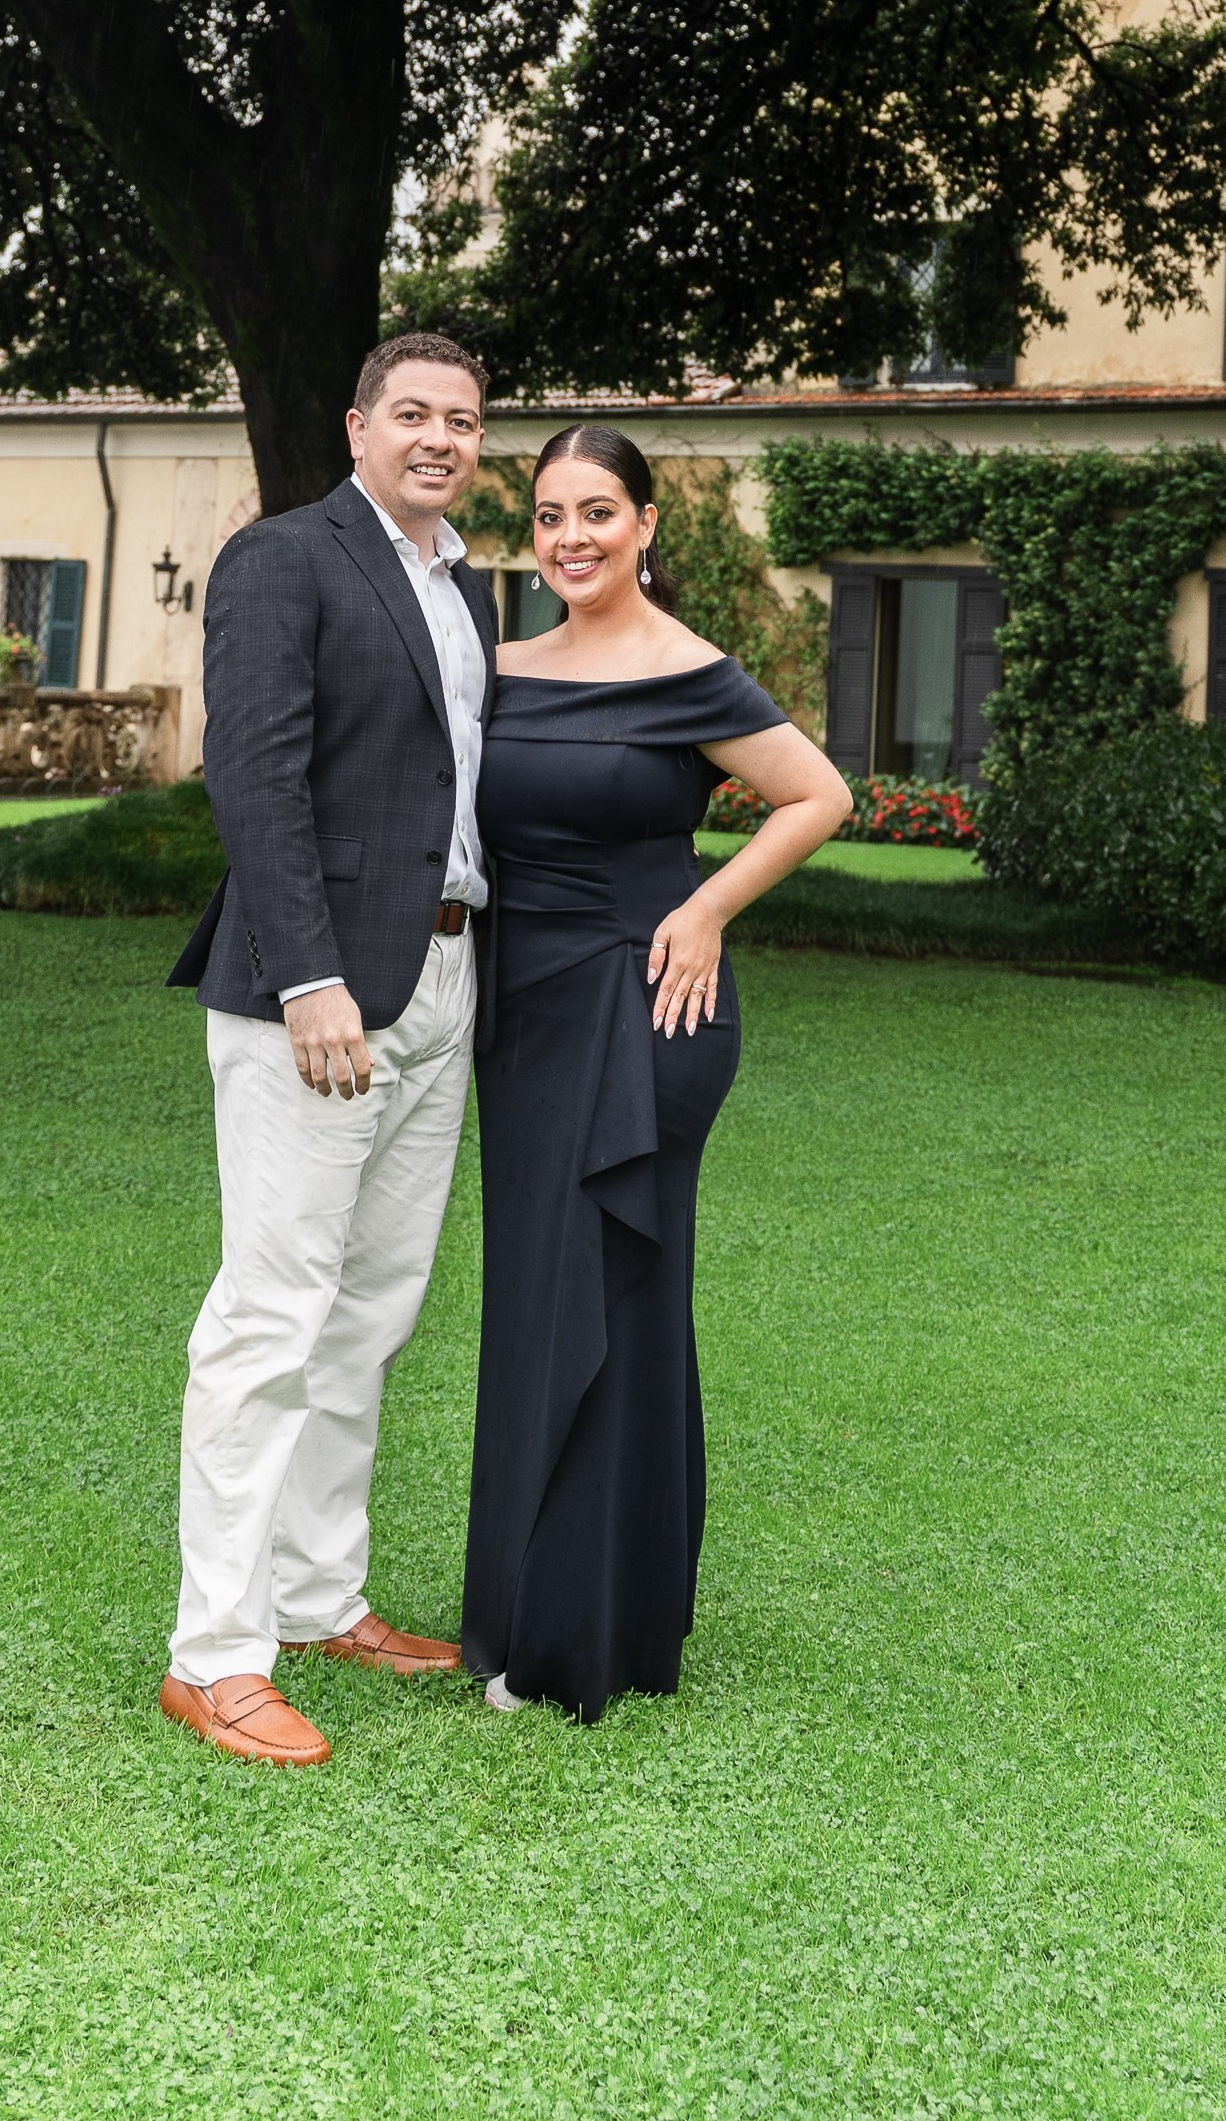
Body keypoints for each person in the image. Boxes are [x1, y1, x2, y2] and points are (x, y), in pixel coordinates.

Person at [463, 421, 852, 1721]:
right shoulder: (496, 666)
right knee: (531, 1292)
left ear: (647, 526)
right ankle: (527, 1605)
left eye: (599, 511)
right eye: (550, 514)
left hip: (651, 1003)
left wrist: (710, 907)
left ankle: (589, 1634)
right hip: (520, 1017)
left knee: (613, 1293)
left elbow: (817, 795)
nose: (572, 535)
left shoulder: (692, 671)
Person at [158, 333, 498, 1768]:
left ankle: (317, 1595)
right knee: (273, 1312)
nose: (438, 436)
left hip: (443, 974)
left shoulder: (463, 581)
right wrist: (307, 973)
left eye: (463, 419)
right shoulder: (283, 558)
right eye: (411, 412)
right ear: (357, 423)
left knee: (373, 1309)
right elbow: (254, 772)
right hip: (319, 993)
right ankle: (216, 1653)